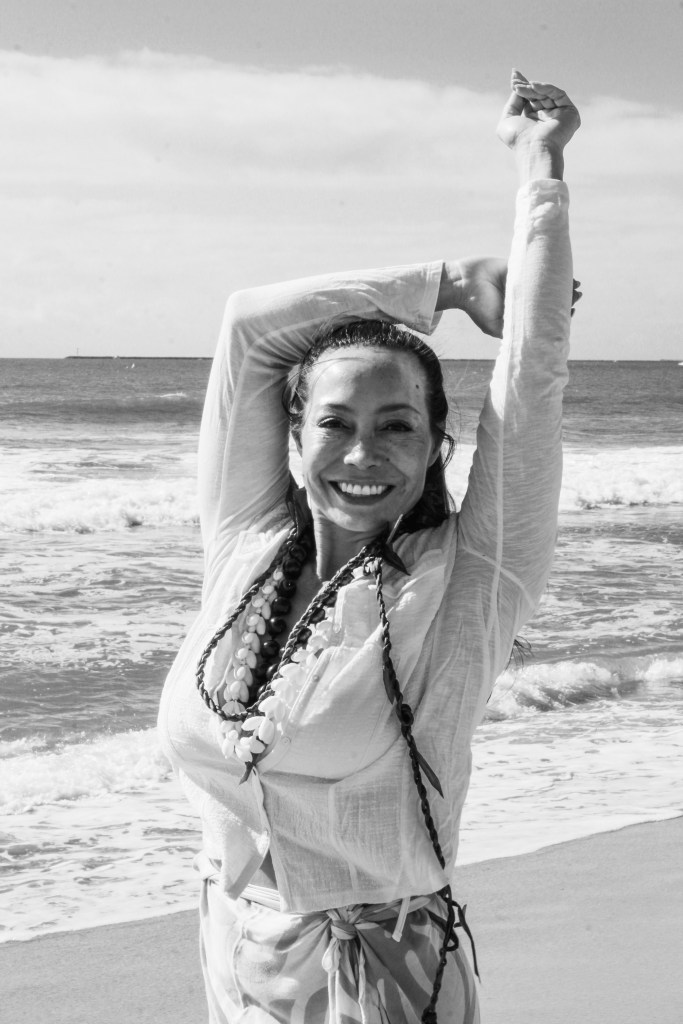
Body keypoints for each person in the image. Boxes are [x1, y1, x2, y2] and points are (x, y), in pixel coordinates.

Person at [158, 70, 581, 1024]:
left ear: (439, 445)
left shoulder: (467, 584)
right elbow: (249, 324)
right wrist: (440, 285)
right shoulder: (244, 550)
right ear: (295, 439)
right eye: (336, 423)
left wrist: (538, 167)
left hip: (377, 978)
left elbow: (533, 375)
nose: (362, 453)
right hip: (235, 950)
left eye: (397, 426)